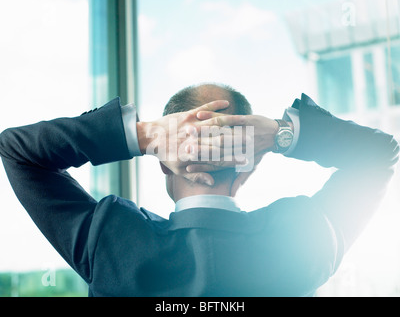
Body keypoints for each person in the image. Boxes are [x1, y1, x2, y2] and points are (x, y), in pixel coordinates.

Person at [0, 83, 398, 297]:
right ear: (251, 163)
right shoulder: (303, 236)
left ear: (162, 160)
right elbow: (381, 154)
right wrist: (281, 133)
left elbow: (17, 150)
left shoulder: (110, 240)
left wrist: (143, 135)